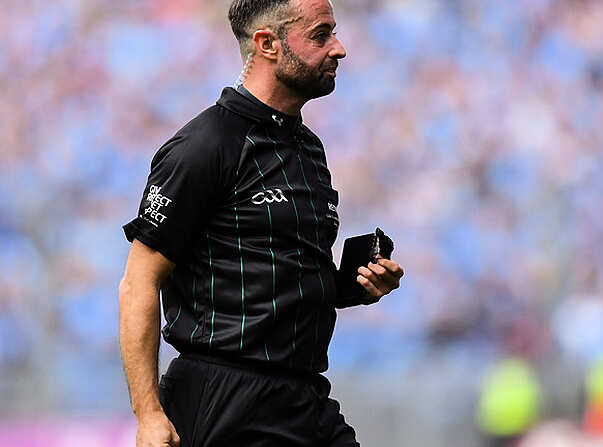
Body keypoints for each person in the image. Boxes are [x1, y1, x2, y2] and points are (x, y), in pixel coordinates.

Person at [118, 1, 404, 445]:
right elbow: (139, 281)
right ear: (267, 44)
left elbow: (278, 276)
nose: (340, 48)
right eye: (320, 34)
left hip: (305, 397)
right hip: (224, 398)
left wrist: (354, 285)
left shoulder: (308, 148)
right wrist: (148, 413)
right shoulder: (205, 145)